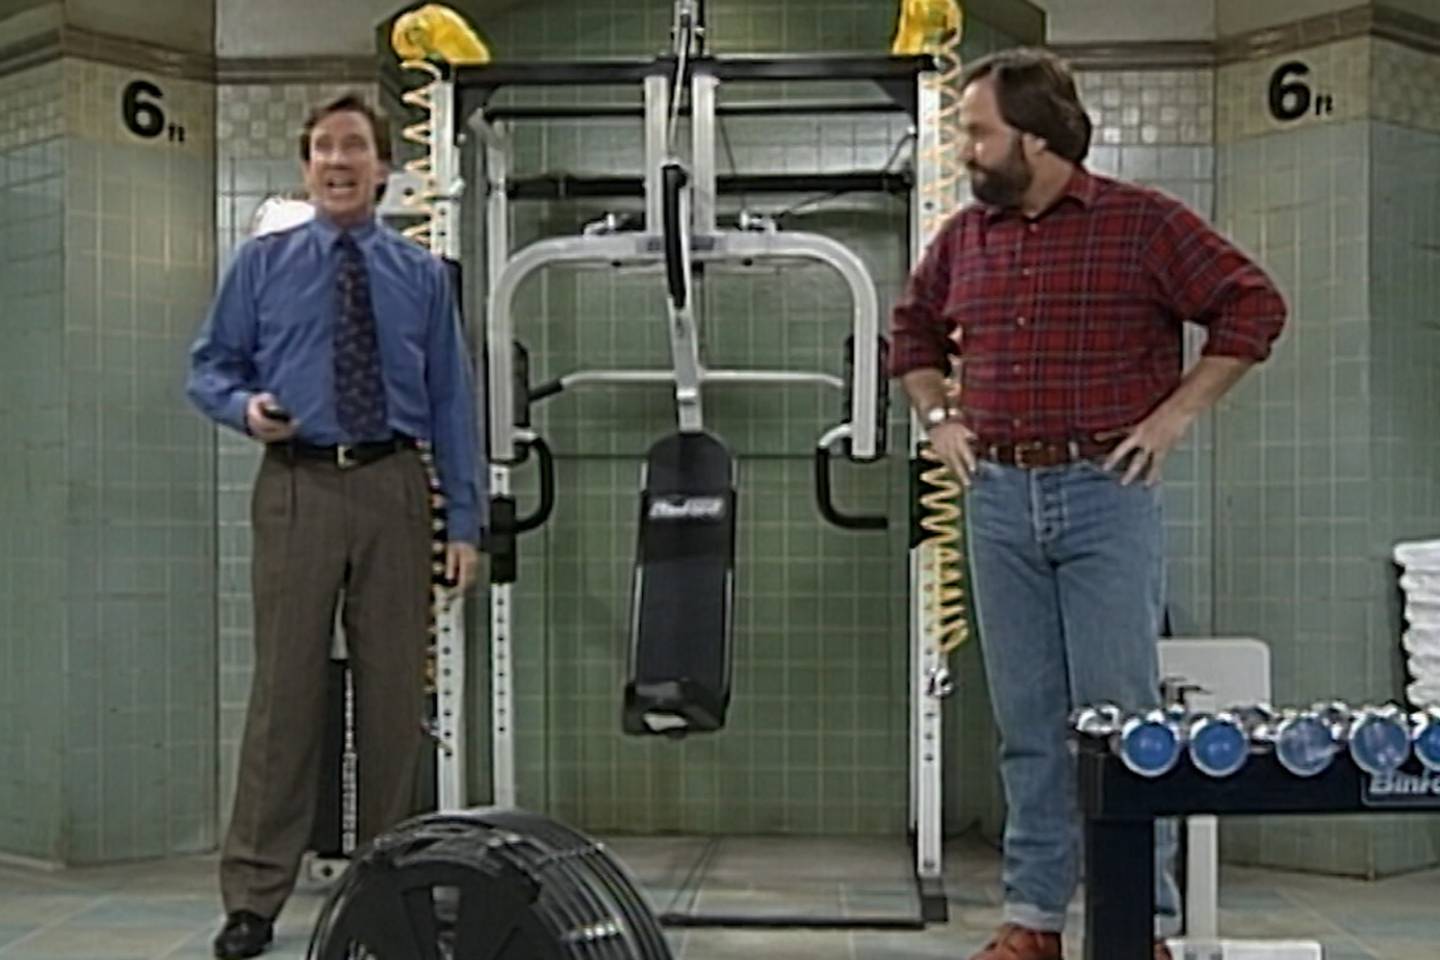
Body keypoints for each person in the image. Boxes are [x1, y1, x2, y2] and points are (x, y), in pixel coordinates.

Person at [889, 49, 1286, 960]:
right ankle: (1034, 920)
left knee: (1123, 724)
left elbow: (1253, 306)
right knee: (1028, 725)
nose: (966, 150)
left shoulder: (1143, 225)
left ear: (1034, 138)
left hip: (1107, 492)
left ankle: (1140, 923)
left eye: (978, 133)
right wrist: (939, 417)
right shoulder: (965, 238)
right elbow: (910, 333)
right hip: (999, 498)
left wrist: (1177, 414)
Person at [187, 93, 483, 960]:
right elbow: (208, 368)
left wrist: (462, 521)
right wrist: (246, 409)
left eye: (354, 146)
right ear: (307, 165)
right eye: (323, 147)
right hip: (297, 487)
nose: (338, 161)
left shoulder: (421, 278)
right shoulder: (262, 265)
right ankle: (253, 898)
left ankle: (383, 887)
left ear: (384, 168)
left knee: (393, 698)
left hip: (395, 487)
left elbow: (452, 402)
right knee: (284, 697)